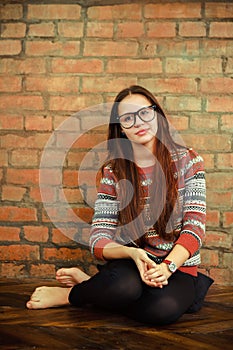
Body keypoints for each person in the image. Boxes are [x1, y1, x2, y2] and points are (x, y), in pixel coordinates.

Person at [26, 85, 210, 325]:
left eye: (145, 112)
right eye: (128, 118)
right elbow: (99, 240)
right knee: (122, 287)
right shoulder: (114, 171)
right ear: (121, 128)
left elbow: (195, 229)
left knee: (162, 310)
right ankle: (74, 295)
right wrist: (132, 253)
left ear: (157, 115)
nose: (138, 122)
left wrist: (167, 266)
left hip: (178, 266)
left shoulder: (188, 161)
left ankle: (87, 289)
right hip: (131, 264)